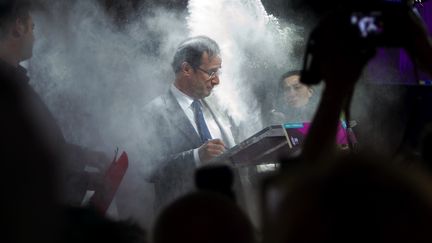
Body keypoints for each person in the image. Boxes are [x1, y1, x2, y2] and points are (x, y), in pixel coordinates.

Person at [0, 0, 109, 209]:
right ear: (18, 28)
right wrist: (84, 180)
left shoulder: (14, 82)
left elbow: (39, 146)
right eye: (32, 27)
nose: (34, 36)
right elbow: (23, 170)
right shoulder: (6, 91)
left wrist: (84, 157)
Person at [142, 36, 237, 210]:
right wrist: (196, 156)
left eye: (218, 72)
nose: (217, 81)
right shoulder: (155, 112)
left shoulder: (217, 107)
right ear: (186, 69)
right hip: (184, 218)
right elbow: (150, 169)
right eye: (211, 72)